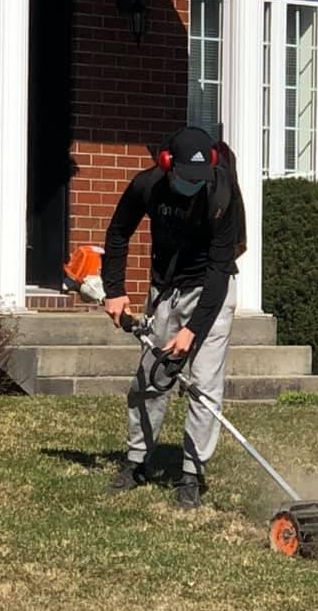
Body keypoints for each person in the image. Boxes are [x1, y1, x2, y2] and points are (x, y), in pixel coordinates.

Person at [101, 126, 241, 509]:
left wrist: (193, 330)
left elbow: (220, 269)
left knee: (205, 384)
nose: (192, 184)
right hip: (166, 289)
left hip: (210, 290)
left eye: (199, 178)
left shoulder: (220, 191)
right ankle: (136, 462)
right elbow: (117, 234)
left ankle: (192, 474)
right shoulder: (147, 185)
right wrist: (114, 289)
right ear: (166, 165)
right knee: (152, 377)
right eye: (184, 177)